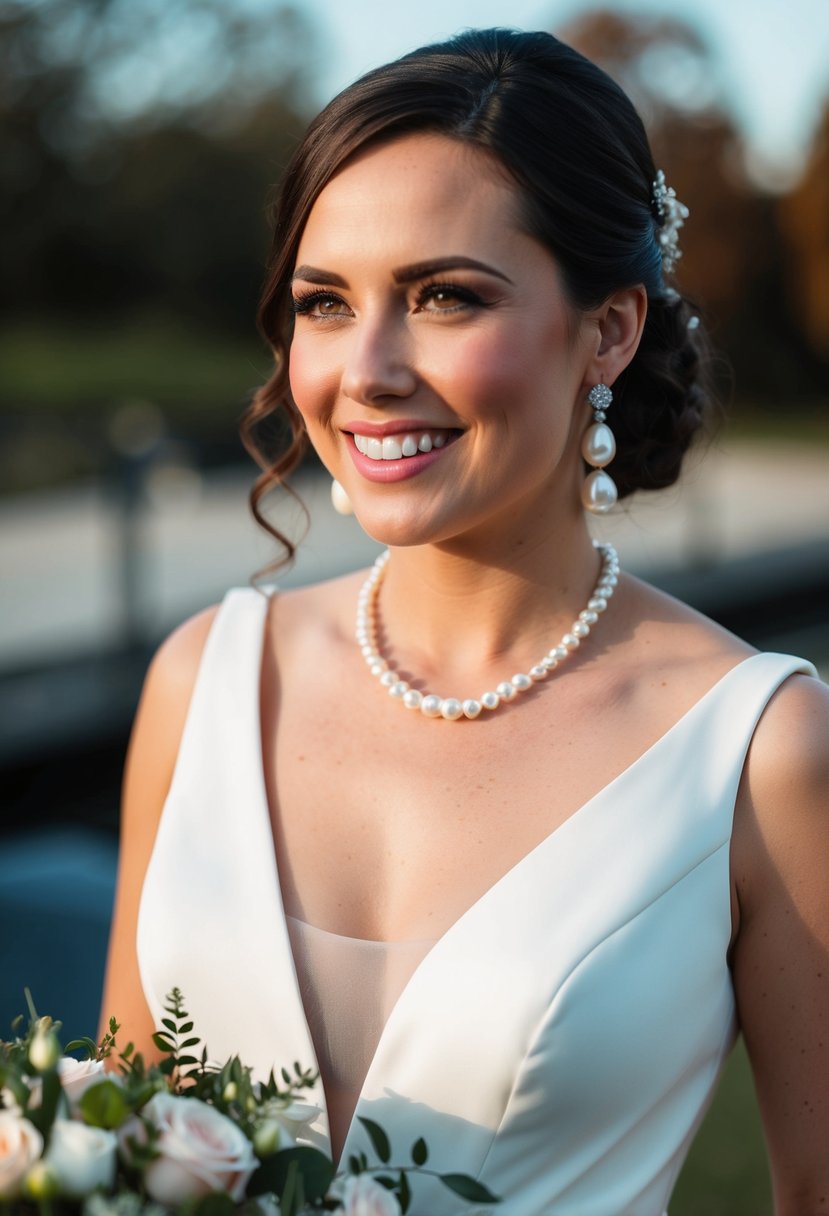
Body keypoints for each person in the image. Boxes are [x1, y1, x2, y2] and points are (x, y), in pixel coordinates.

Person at [101, 28, 829, 1214]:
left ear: (608, 328)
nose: (368, 369)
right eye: (324, 303)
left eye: (445, 296)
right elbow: (113, 1132)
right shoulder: (206, 681)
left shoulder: (762, 756)